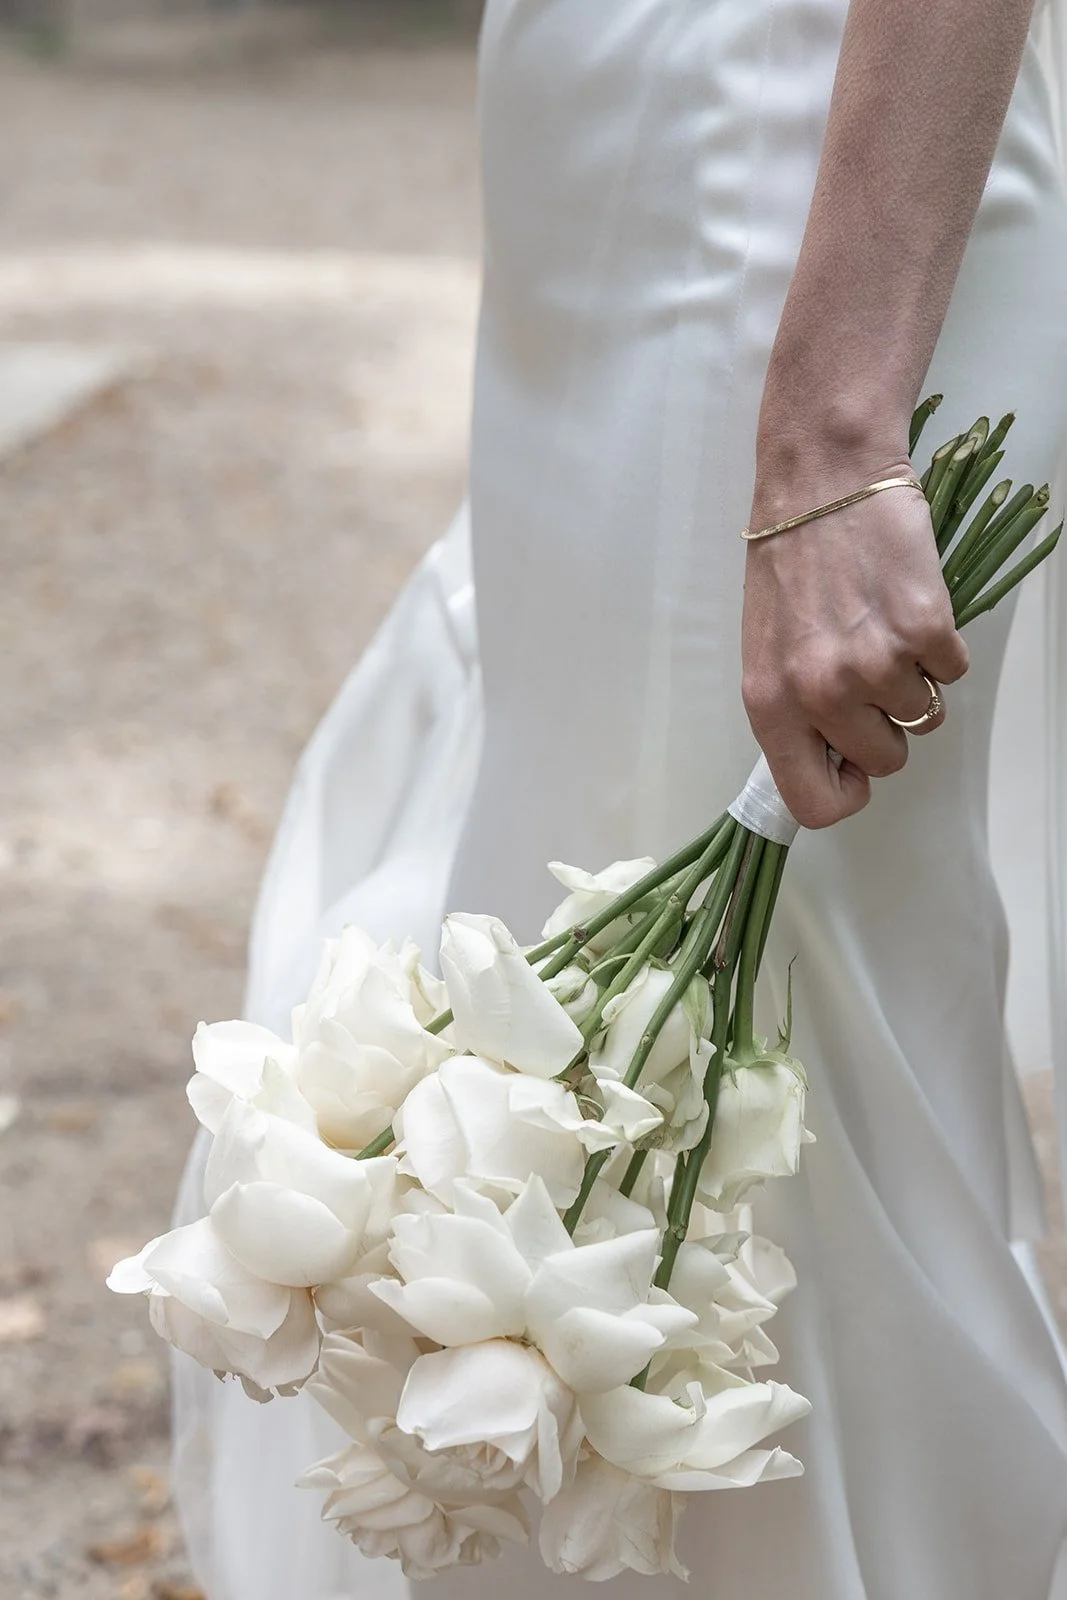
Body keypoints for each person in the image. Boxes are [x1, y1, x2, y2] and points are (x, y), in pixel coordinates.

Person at [172, 0, 1067, 1595]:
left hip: (794, 154)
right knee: (597, 939)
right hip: (618, 141)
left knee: (774, 1032)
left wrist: (830, 427)